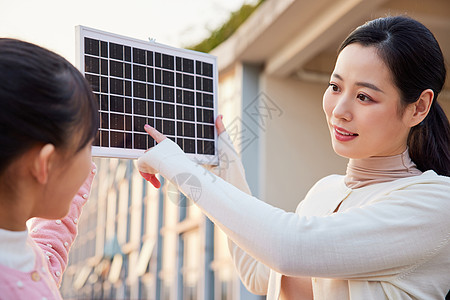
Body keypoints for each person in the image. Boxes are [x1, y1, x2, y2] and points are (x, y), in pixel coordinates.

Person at [138, 15, 450, 299]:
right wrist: (223, 164)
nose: (339, 110)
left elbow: (288, 247)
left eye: (364, 96)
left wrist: (177, 167)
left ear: (418, 107)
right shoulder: (325, 191)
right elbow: (260, 274)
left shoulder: (436, 203)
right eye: (335, 86)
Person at [0, 39, 98, 299]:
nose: (91, 161)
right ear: (46, 164)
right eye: (88, 145)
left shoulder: (18, 249)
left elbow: (47, 258)